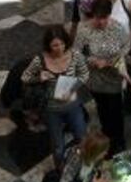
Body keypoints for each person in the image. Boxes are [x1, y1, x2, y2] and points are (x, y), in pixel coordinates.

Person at [21, 25, 89, 168]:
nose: (60, 48)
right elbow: (25, 77)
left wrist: (73, 87)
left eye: (62, 44)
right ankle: (61, 172)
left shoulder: (75, 55)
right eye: (55, 45)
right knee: (58, 146)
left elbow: (84, 74)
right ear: (48, 45)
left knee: (82, 138)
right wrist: (39, 78)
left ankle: (83, 168)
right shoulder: (40, 60)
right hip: (51, 109)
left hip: (72, 105)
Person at [75, 0, 129, 156]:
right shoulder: (83, 29)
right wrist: (91, 60)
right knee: (103, 111)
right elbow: (76, 54)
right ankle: (108, 144)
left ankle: (119, 142)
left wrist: (111, 62)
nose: (100, 22)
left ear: (109, 15)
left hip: (113, 78)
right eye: (97, 17)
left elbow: (126, 48)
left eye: (104, 18)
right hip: (96, 80)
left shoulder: (117, 28)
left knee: (116, 112)